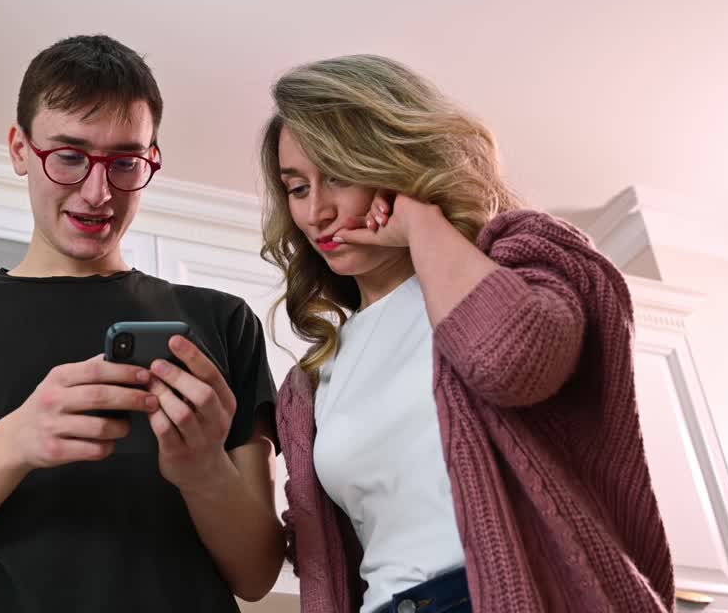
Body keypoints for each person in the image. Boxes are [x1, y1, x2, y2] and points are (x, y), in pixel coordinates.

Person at [0, 34, 283, 612]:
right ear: (20, 149)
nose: (98, 193)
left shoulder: (223, 322)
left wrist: (203, 470)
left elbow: (256, 574)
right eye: (70, 156)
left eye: (125, 163)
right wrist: (15, 441)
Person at [261, 54, 675, 612]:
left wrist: (421, 220)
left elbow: (511, 363)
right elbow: (324, 560)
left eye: (338, 175)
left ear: (392, 160)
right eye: (297, 188)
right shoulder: (311, 381)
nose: (317, 212)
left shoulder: (522, 258)